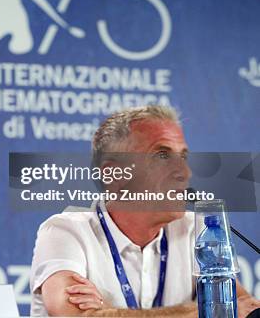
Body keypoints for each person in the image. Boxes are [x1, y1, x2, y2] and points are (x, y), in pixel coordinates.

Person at [30, 106, 259, 317]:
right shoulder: (64, 231)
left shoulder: (195, 230)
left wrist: (110, 312)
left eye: (183, 157)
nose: (184, 171)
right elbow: (77, 316)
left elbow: (242, 307)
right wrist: (200, 311)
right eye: (162, 155)